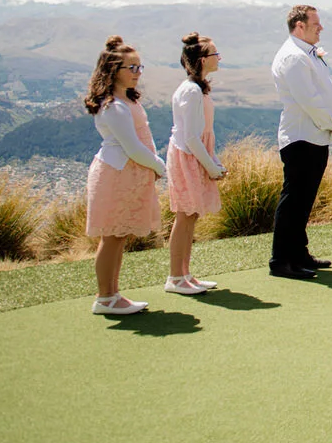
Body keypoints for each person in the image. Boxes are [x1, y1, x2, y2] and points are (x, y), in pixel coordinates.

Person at [82, 35, 166, 316]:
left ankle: (112, 294)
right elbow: (132, 147)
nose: (137, 73)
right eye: (131, 67)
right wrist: (158, 166)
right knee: (112, 236)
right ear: (113, 70)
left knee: (118, 236)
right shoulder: (114, 107)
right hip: (116, 175)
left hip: (126, 174)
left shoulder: (124, 101)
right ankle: (106, 297)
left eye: (139, 67)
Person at [270, 4, 332, 280]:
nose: (321, 28)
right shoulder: (293, 57)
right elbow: (309, 101)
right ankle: (281, 260)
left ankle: (299, 253)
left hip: (315, 136)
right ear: (299, 26)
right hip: (301, 137)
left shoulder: (307, 53)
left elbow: (327, 91)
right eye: (316, 24)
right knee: (294, 200)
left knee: (304, 201)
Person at [164, 32, 226, 295]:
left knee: (190, 216)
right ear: (202, 59)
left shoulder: (196, 88)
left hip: (194, 155)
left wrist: (214, 161)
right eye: (214, 54)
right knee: (185, 215)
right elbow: (191, 137)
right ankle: (175, 277)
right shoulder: (190, 91)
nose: (219, 57)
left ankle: (185, 274)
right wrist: (211, 166)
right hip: (187, 157)